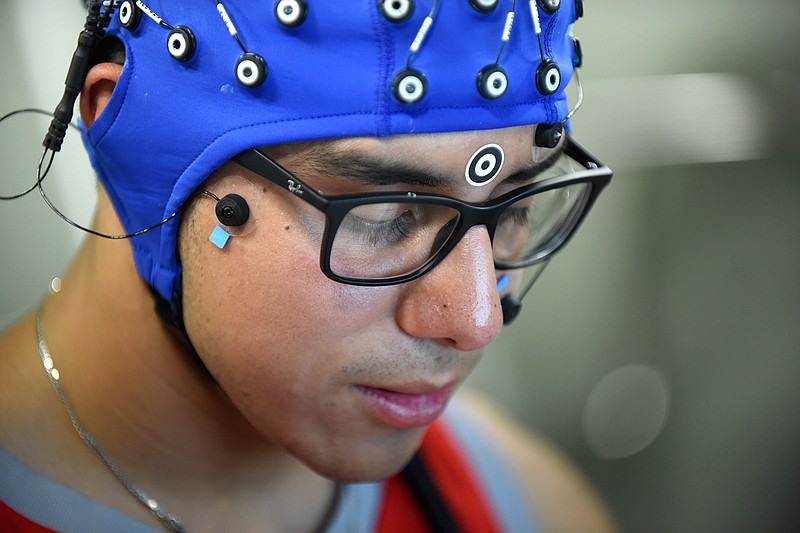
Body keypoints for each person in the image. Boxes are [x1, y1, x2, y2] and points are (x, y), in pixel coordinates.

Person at [0, 1, 615, 531]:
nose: (477, 319)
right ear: (137, 145)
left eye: (514, 206)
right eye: (382, 214)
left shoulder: (522, 507)